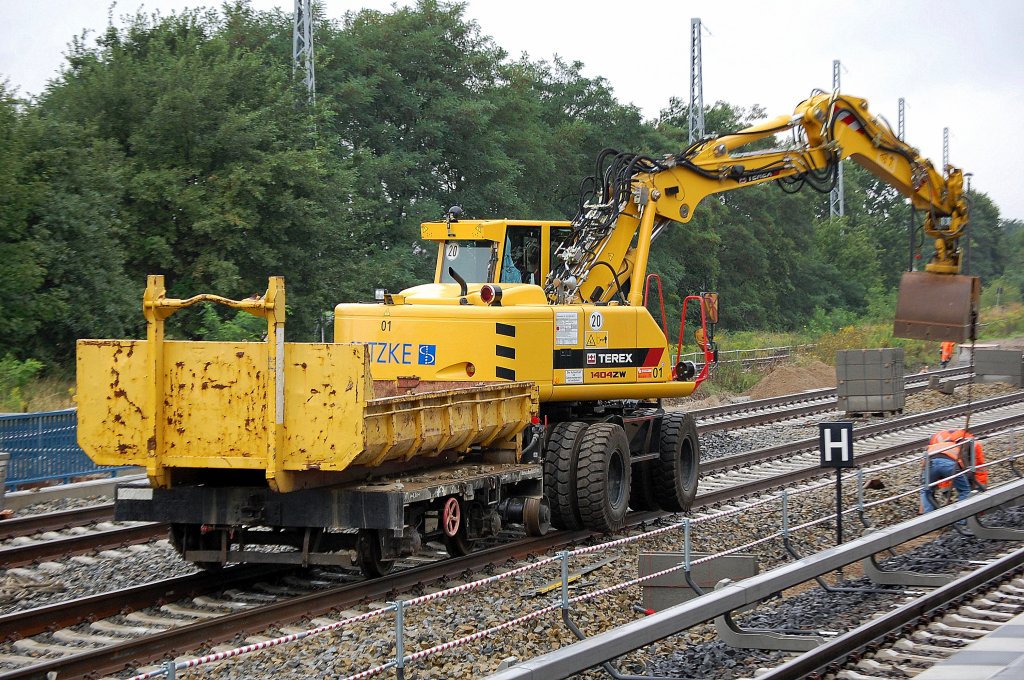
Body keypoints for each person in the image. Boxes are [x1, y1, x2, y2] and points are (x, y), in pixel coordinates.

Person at [920, 428, 987, 513]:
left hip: (930, 464)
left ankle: (927, 518)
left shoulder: (933, 444)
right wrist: (970, 480)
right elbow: (963, 466)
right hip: (950, 465)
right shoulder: (960, 446)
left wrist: (945, 490)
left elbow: (925, 468)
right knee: (964, 490)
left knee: (925, 490)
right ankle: (961, 519)